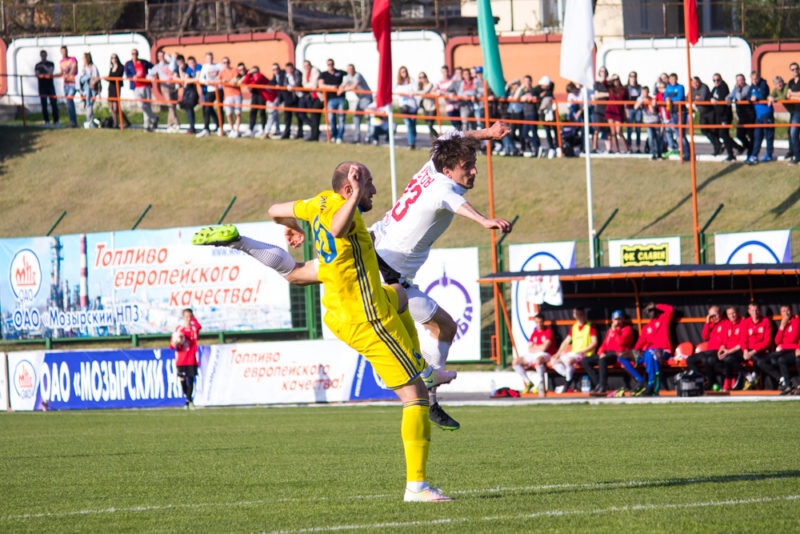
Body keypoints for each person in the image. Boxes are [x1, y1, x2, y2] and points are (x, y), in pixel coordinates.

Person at [269, 162, 452, 502]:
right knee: (415, 399)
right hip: (367, 318)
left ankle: (426, 369)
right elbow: (339, 229)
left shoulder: (319, 202)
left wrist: (293, 226)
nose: (374, 192)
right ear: (349, 189)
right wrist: (353, 198)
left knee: (399, 294)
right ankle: (417, 487)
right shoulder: (344, 211)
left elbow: (274, 208)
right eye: (368, 185)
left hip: (358, 303)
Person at [370, 124, 512, 426]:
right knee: (401, 336)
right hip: (387, 275)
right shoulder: (443, 188)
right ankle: (417, 378)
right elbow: (458, 204)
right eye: (466, 168)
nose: (473, 172)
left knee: (446, 327)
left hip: (381, 257)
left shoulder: (434, 164)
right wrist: (484, 220)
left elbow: (453, 139)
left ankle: (430, 393)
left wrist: (488, 134)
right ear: (448, 170)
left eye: (473, 165)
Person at [618, 303, 674, 396]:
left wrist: (656, 305)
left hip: (663, 351)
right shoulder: (646, 327)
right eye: (649, 311)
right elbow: (640, 342)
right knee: (621, 356)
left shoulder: (663, 319)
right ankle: (640, 380)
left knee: (650, 352)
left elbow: (670, 309)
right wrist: (636, 350)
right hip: (649, 352)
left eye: (652, 310)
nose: (650, 312)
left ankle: (651, 385)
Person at [582, 310, 634, 394]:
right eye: (615, 319)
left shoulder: (627, 329)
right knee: (585, 360)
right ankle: (598, 383)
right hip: (607, 353)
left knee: (603, 360)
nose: (617, 321)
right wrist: (600, 352)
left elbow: (620, 342)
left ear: (622, 319)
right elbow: (605, 344)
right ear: (612, 320)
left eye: (619, 319)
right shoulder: (610, 331)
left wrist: (614, 331)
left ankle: (603, 386)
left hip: (619, 354)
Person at [551, 308, 598, 392]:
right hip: (574, 353)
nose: (579, 316)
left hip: (585, 354)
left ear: (583, 314)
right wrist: (558, 353)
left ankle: (567, 383)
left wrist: (583, 350)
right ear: (574, 315)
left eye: (581, 314)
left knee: (569, 361)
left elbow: (594, 342)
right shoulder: (574, 327)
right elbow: (566, 341)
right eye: (577, 314)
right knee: (553, 361)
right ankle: (568, 377)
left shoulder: (590, 326)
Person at [511, 312, 556, 394]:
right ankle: (528, 382)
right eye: (537, 322)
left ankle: (540, 383)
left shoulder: (548, 332)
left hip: (546, 355)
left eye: (540, 322)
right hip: (534, 355)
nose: (539, 324)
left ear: (543, 322)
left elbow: (544, 348)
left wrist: (536, 348)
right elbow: (530, 349)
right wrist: (539, 348)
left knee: (538, 360)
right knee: (515, 362)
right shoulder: (534, 333)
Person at [685, 305, 728, 391]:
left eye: (715, 315)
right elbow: (705, 336)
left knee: (706, 359)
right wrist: (707, 322)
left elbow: (726, 340)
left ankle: (711, 383)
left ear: (720, 313)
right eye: (712, 316)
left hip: (717, 351)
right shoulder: (711, 325)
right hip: (708, 351)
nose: (714, 318)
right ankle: (703, 378)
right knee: (689, 359)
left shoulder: (726, 323)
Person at [759, 304, 799, 394]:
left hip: (792, 350)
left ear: (791, 311)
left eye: (787, 311)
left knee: (781, 360)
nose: (786, 313)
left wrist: (783, 346)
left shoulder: (796, 322)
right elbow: (777, 341)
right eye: (783, 311)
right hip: (783, 350)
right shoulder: (782, 324)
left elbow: (793, 339)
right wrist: (782, 327)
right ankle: (782, 379)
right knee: (761, 361)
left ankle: (788, 385)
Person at [170, 308, 201, 409]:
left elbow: (199, 326)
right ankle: (188, 400)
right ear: (183, 317)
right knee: (182, 379)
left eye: (190, 317)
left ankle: (188, 401)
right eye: (186, 316)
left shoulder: (193, 329)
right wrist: (175, 343)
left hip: (191, 358)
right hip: (181, 359)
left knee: (191, 379)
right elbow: (171, 346)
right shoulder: (179, 329)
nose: (188, 319)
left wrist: (194, 319)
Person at [742, 302, 773, 389]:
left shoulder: (766, 321)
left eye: (757, 310)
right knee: (730, 358)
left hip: (761, 350)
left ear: (760, 311)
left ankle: (755, 376)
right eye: (753, 310)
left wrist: (751, 352)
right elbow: (743, 339)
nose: (755, 312)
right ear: (749, 311)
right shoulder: (746, 322)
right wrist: (745, 350)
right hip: (748, 351)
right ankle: (749, 376)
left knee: (757, 357)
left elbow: (767, 342)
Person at [124, 49, 157, 132]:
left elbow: (153, 68)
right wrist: (132, 76)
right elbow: (127, 74)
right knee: (141, 105)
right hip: (136, 86)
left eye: (135, 53)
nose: (134, 55)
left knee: (147, 105)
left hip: (146, 85)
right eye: (133, 54)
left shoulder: (143, 62)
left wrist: (152, 76)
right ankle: (154, 118)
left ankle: (147, 125)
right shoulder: (128, 64)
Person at [717, 306, 747, 391]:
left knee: (728, 359)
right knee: (715, 360)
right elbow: (724, 341)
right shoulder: (727, 324)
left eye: (733, 313)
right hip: (728, 351)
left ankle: (730, 379)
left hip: (739, 351)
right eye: (730, 314)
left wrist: (728, 352)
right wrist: (721, 350)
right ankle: (731, 379)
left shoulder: (743, 322)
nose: (732, 316)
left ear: (738, 312)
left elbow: (742, 342)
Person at [341, 63, 373, 144]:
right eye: (349, 69)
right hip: (360, 98)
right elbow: (343, 85)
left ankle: (369, 136)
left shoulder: (358, 75)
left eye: (352, 69)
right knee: (356, 117)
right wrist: (340, 88)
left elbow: (354, 86)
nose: (351, 71)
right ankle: (357, 137)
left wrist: (345, 89)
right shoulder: (347, 77)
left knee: (368, 117)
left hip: (366, 97)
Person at [709, 73, 738, 162]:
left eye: (718, 80)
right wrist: (711, 99)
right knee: (721, 134)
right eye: (714, 80)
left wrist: (716, 100)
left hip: (725, 115)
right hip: (718, 115)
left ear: (721, 79)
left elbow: (723, 99)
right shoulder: (715, 88)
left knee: (723, 134)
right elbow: (710, 96)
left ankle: (731, 154)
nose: (716, 82)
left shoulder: (723, 87)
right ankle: (738, 147)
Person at [149, 50, 179, 132]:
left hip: (173, 85)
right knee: (171, 105)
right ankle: (175, 123)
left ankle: (170, 124)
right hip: (165, 86)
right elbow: (150, 74)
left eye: (162, 56)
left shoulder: (170, 64)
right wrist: (152, 78)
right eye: (159, 56)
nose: (161, 58)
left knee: (173, 106)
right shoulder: (158, 66)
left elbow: (175, 71)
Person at [746, 71, 773, 164]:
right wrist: (750, 99)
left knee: (768, 134)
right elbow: (748, 96)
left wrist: (756, 98)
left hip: (766, 113)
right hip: (758, 115)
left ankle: (769, 154)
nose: (754, 81)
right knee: (757, 135)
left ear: (758, 77)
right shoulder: (752, 86)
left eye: (756, 79)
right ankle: (754, 155)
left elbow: (762, 95)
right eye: (752, 79)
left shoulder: (763, 84)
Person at [196, 52, 224, 137]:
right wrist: (205, 82)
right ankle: (206, 128)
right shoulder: (205, 67)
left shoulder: (219, 66)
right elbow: (201, 78)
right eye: (208, 58)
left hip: (218, 90)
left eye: (211, 58)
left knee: (220, 108)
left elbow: (224, 74)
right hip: (210, 90)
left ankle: (220, 127)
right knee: (207, 109)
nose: (209, 60)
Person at [318, 59, 347, 143]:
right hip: (330, 99)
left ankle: (339, 136)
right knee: (331, 118)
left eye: (332, 64)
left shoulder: (340, 73)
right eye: (329, 64)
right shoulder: (324, 74)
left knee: (341, 118)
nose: (330, 66)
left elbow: (348, 79)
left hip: (340, 98)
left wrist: (342, 87)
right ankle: (333, 135)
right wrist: (332, 87)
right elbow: (321, 85)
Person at [691, 76, 720, 156]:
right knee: (704, 130)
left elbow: (702, 98)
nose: (695, 84)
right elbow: (688, 98)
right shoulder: (691, 89)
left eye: (696, 82)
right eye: (693, 83)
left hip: (710, 111)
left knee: (713, 130)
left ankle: (717, 148)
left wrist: (695, 99)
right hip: (702, 113)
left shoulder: (704, 87)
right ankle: (717, 144)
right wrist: (696, 98)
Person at [664, 73, 689, 159]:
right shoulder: (668, 87)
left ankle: (686, 153)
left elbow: (680, 98)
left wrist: (670, 99)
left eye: (674, 79)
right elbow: (665, 97)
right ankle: (682, 151)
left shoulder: (680, 87)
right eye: (671, 79)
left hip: (680, 112)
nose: (672, 81)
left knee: (681, 134)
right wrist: (667, 99)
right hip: (673, 112)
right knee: (677, 133)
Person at [296, 60, 322, 142]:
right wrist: (308, 86)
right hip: (311, 96)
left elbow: (314, 84)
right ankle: (315, 134)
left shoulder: (315, 71)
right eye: (305, 65)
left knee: (314, 115)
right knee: (309, 115)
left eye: (308, 65)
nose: (306, 67)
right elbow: (304, 84)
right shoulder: (305, 72)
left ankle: (315, 135)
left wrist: (308, 85)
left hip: (319, 96)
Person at [242, 65, 269, 137]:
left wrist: (249, 85)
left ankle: (263, 128)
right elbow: (245, 82)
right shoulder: (252, 77)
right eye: (253, 72)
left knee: (262, 112)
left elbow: (255, 82)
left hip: (261, 95)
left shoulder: (260, 76)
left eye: (255, 71)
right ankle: (251, 128)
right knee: (253, 111)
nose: (254, 73)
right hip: (255, 95)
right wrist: (248, 74)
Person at [729, 73, 753, 156]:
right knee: (739, 134)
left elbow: (740, 97)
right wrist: (728, 99)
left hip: (749, 115)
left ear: (744, 80)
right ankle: (747, 148)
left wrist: (737, 90)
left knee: (751, 135)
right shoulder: (736, 88)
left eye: (741, 80)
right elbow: (729, 96)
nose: (740, 82)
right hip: (741, 116)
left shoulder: (747, 88)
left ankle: (751, 153)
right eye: (738, 80)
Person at [277, 62, 303, 139]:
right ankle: (287, 132)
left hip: (297, 97)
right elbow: (283, 83)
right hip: (288, 98)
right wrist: (288, 86)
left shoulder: (297, 73)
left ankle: (300, 132)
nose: (289, 70)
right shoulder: (284, 74)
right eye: (287, 68)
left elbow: (298, 82)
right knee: (287, 116)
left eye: (290, 68)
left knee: (299, 115)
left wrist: (293, 87)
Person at [605, 74, 629, 154]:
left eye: (617, 79)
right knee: (613, 132)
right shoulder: (611, 89)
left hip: (619, 112)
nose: (616, 81)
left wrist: (627, 111)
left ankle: (627, 149)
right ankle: (617, 150)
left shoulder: (623, 89)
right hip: (610, 111)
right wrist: (612, 78)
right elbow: (604, 82)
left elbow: (627, 101)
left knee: (619, 131)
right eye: (614, 80)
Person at [637, 86, 662, 160]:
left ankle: (659, 154)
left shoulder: (652, 99)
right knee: (651, 138)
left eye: (646, 92)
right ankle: (652, 154)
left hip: (656, 121)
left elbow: (652, 111)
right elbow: (635, 107)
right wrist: (641, 102)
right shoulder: (640, 99)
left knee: (657, 138)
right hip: (648, 122)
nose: (645, 93)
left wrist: (649, 103)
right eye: (643, 92)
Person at [768, 76, 790, 161]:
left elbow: (784, 97)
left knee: (793, 132)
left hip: (797, 110)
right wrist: (770, 98)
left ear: (783, 82)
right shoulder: (776, 89)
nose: (779, 84)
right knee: (791, 132)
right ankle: (792, 151)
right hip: (792, 111)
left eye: (780, 82)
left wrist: (774, 99)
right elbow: (770, 95)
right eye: (777, 83)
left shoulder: (786, 86)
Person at [34, 50, 58, 126]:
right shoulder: (37, 65)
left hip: (50, 86)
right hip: (42, 87)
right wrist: (44, 75)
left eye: (44, 55)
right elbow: (37, 74)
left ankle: (56, 121)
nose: (43, 57)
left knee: (53, 103)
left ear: (46, 56)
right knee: (44, 104)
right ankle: (46, 121)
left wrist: (43, 72)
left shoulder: (50, 64)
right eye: (42, 56)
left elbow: (50, 73)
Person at [396, 66, 418, 148]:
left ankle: (413, 138)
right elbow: (397, 92)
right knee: (408, 124)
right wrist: (405, 94)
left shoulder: (411, 80)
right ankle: (411, 143)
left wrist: (411, 94)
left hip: (412, 105)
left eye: (405, 71)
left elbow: (415, 90)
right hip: (404, 106)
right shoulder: (398, 83)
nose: (404, 73)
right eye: (402, 72)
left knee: (412, 124)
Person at [107, 53, 131, 129]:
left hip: (116, 88)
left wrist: (109, 78)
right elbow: (110, 77)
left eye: (115, 58)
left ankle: (126, 121)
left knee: (116, 108)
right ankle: (116, 124)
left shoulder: (121, 67)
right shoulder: (111, 67)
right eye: (112, 58)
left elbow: (117, 76)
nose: (114, 59)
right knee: (111, 107)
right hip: (111, 88)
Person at [519, 75, 541, 157]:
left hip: (532, 113)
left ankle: (536, 149)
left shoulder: (534, 90)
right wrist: (521, 89)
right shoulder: (523, 91)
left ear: (531, 82)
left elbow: (539, 97)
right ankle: (536, 145)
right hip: (526, 114)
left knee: (534, 132)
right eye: (525, 81)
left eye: (528, 81)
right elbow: (518, 96)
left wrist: (532, 97)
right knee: (524, 134)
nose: (526, 83)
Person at [176, 55, 199, 134]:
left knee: (190, 108)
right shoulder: (180, 68)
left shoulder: (187, 68)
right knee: (188, 109)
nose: (180, 64)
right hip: (186, 92)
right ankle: (191, 126)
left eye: (181, 62)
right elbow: (182, 80)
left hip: (191, 91)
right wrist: (179, 70)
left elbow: (185, 80)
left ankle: (192, 127)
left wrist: (186, 80)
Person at [78, 52, 100, 128]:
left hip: (92, 90)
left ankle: (89, 121)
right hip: (85, 90)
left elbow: (95, 77)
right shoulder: (83, 68)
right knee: (88, 105)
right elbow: (80, 78)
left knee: (89, 105)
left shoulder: (93, 67)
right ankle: (89, 121)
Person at [58, 46, 79, 128]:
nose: (64, 53)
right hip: (66, 84)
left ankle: (73, 121)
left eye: (65, 51)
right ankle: (72, 121)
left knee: (70, 100)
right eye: (62, 51)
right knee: (69, 102)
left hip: (73, 83)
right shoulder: (61, 62)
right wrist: (51, 75)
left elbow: (74, 68)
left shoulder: (72, 59)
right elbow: (61, 72)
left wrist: (69, 75)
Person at [591, 67, 609, 153]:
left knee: (607, 129)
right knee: (596, 129)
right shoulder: (597, 83)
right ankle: (594, 148)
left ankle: (609, 149)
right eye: (602, 71)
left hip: (608, 107)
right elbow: (596, 95)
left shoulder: (608, 84)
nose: (603, 72)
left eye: (605, 71)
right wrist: (607, 94)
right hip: (599, 108)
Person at [416, 71, 437, 140]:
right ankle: (435, 138)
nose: (422, 79)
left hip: (432, 107)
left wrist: (418, 93)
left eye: (423, 77)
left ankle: (435, 138)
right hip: (425, 108)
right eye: (420, 77)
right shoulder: (419, 86)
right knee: (428, 125)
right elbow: (418, 93)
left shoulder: (430, 84)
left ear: (426, 77)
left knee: (430, 124)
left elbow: (424, 93)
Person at [787, 62, 800, 165]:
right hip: (794, 111)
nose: (795, 70)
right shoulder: (790, 82)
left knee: (794, 133)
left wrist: (793, 94)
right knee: (793, 134)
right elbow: (788, 96)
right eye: (793, 69)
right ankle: (797, 156)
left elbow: (792, 94)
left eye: (796, 68)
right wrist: (796, 95)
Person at [626, 71, 643, 152]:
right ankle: (629, 147)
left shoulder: (639, 87)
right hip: (630, 109)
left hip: (638, 110)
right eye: (631, 76)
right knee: (629, 129)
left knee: (638, 129)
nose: (633, 78)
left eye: (634, 76)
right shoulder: (626, 88)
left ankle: (638, 147)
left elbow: (642, 96)